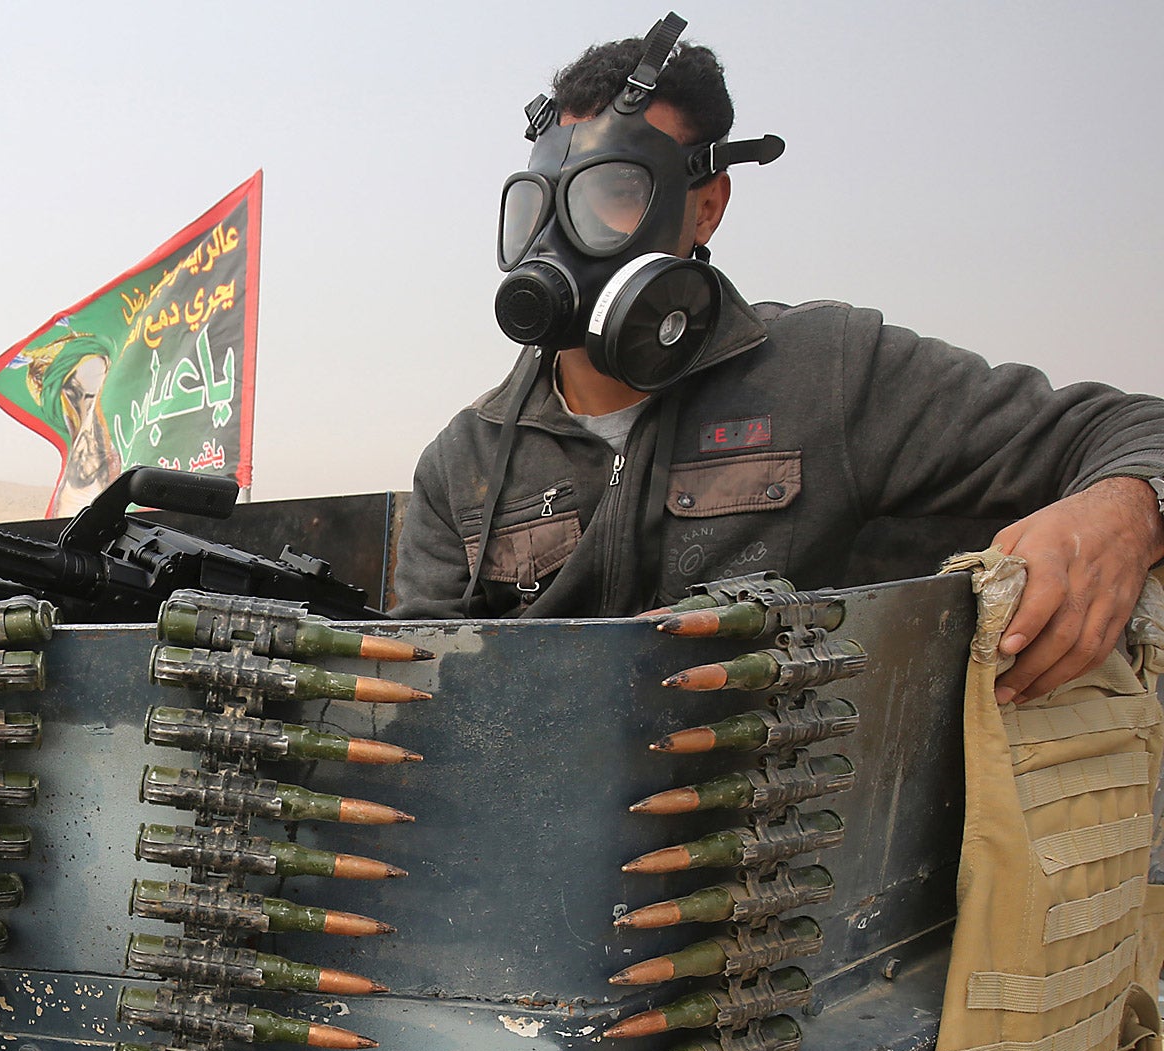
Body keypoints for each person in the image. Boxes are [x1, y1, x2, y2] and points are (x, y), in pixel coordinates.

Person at [391, 18, 1164, 705]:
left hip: (783, 840)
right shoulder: (465, 463)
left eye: (612, 196)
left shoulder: (827, 372)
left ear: (706, 205)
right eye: (542, 206)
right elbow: (422, 697)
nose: (560, 240)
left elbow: (1132, 427)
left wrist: (1123, 516)